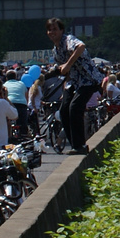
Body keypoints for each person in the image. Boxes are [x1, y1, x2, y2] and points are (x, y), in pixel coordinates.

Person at [46, 17, 102, 152]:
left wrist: (68, 64)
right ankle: (75, 144)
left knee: (75, 108)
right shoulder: (56, 50)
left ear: (61, 30)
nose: (52, 32)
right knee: (64, 111)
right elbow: (66, 71)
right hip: (73, 82)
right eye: (49, 30)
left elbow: (81, 47)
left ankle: (80, 145)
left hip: (88, 80)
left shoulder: (68, 40)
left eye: (55, 29)